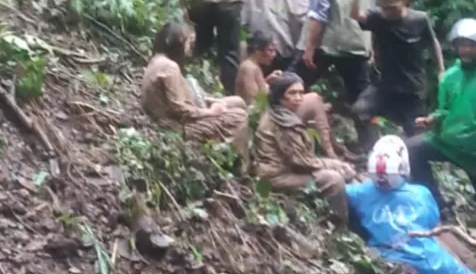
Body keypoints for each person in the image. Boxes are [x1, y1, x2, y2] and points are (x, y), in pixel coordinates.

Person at [407, 18, 476, 238]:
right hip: (448, 142)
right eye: (461, 45)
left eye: (471, 45)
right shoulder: (451, 77)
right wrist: (432, 119)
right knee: (411, 150)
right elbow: (446, 109)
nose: (465, 50)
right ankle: (438, 206)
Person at [345, 135, 476, 274]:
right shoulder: (421, 194)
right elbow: (432, 222)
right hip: (430, 261)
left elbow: (338, 188)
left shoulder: (360, 192)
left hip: (389, 261)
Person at [292, 0, 374, 127]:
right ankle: (372, 147)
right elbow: (371, 10)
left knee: (291, 83)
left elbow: (320, 11)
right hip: (357, 43)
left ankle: (277, 125)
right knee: (363, 99)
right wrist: (370, 45)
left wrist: (309, 46)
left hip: (327, 42)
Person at [349, 0, 445, 147]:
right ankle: (372, 150)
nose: (388, 13)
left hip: (412, 88)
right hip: (385, 85)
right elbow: (355, 14)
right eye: (384, 8)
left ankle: (412, 166)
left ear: (404, 1)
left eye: (392, 8)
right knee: (359, 110)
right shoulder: (379, 18)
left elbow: (433, 44)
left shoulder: (419, 19)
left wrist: (441, 70)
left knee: (415, 138)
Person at [141, 21, 251, 171]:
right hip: (177, 126)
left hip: (174, 117)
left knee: (237, 101)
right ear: (179, 43)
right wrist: (211, 113)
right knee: (239, 116)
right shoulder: (170, 67)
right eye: (188, 42)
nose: (190, 47)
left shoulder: (156, 60)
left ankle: (231, 153)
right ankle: (236, 164)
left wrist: (212, 102)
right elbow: (178, 108)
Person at [252, 72, 356, 224]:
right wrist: (335, 165)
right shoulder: (283, 123)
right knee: (334, 180)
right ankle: (338, 224)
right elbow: (302, 162)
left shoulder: (278, 113)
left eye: (301, 93)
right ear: (280, 96)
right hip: (277, 178)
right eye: (292, 93)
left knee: (336, 171)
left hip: (280, 171)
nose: (298, 97)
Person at [236, 30, 339, 159]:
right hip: (268, 117)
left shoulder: (252, 66)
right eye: (270, 50)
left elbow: (259, 92)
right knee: (314, 99)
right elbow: (253, 102)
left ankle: (335, 149)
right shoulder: (249, 68)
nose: (273, 55)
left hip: (271, 112)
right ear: (257, 50)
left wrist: (268, 81)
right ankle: (330, 152)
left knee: (319, 105)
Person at [240, 0, 309, 73]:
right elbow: (306, 21)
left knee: (262, 87)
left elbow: (242, 25)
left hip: (260, 52)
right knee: (287, 87)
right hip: (289, 52)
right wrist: (301, 50)